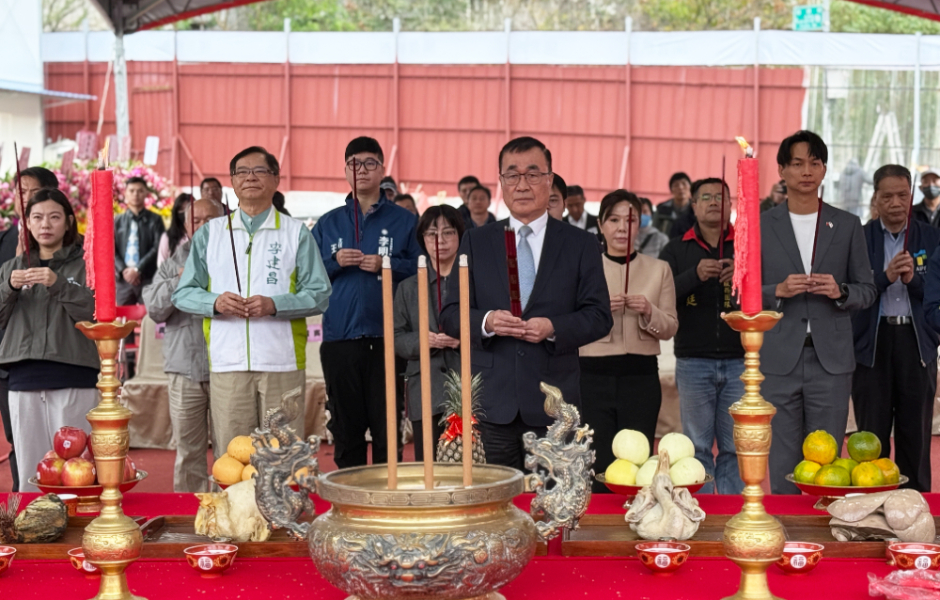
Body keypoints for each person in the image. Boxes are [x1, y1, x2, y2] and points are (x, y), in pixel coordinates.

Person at [440, 136, 612, 470]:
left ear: (549, 180)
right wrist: (487, 321)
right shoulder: (476, 241)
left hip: (555, 404)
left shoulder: (581, 244)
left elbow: (600, 315)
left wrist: (554, 327)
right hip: (492, 402)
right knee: (496, 507)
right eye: (512, 175)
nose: (522, 184)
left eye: (533, 175)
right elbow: (449, 313)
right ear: (501, 182)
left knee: (555, 502)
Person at [173, 146, 332, 460]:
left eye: (259, 171)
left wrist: (274, 304)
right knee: (233, 457)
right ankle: (235, 510)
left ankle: (283, 511)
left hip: (281, 361)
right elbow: (183, 293)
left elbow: (320, 293)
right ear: (232, 182)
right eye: (241, 172)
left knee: (283, 455)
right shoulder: (210, 234)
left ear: (275, 180)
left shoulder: (296, 233)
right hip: (227, 362)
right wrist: (215, 301)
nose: (250, 177)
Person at [761, 130, 877, 494]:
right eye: (797, 163)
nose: (806, 171)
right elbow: (739, 294)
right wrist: (776, 291)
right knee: (782, 460)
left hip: (831, 359)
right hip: (780, 357)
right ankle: (783, 532)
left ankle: (822, 537)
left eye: (815, 162)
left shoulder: (846, 225)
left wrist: (840, 291)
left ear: (825, 169)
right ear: (782, 170)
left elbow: (868, 290)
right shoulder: (763, 225)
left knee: (828, 462)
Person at [311, 136, 420, 468]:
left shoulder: (404, 221)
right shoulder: (328, 223)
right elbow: (307, 277)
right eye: (354, 164)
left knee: (387, 425)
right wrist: (334, 262)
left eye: (370, 163)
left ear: (382, 169)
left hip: (387, 338)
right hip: (340, 339)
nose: (362, 170)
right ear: (345, 170)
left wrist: (387, 265)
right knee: (346, 427)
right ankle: (350, 499)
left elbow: (422, 269)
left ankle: (389, 498)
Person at [0, 188, 98, 493]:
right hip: (23, 378)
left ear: (69, 222)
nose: (45, 224)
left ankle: (80, 535)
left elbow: (95, 311)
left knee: (76, 468)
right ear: (26, 223)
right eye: (37, 217)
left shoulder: (85, 264)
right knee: (32, 469)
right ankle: (35, 534)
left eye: (54, 217)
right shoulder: (11, 269)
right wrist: (7, 288)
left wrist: (59, 285)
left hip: (74, 375)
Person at [580, 190, 677, 493]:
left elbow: (670, 327)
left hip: (640, 376)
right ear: (601, 224)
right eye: (614, 219)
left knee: (636, 461)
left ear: (640, 225)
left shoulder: (659, 269)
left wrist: (649, 310)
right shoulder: (585, 270)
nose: (623, 227)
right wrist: (598, 313)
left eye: (631, 219)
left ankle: (635, 523)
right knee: (597, 461)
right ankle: (596, 531)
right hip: (591, 377)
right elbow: (570, 326)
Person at [854, 165, 940, 493]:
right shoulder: (860, 238)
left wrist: (913, 280)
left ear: (911, 197)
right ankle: (868, 511)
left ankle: (917, 511)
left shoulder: (931, 237)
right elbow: (851, 293)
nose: (895, 203)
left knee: (915, 436)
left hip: (916, 344)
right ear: (875, 198)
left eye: (902, 195)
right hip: (872, 345)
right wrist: (884, 277)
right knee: (871, 439)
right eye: (887, 196)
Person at [660, 178, 743, 495]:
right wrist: (694, 275)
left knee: (735, 448)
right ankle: (704, 515)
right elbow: (662, 294)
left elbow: (763, 295)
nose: (713, 202)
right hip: (693, 360)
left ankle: (732, 516)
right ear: (693, 205)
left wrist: (739, 274)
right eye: (705, 197)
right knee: (696, 447)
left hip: (739, 360)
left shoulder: (745, 247)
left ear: (730, 206)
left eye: (720, 197)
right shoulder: (677, 248)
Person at [143, 198, 223, 492]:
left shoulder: (238, 256)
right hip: (183, 367)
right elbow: (155, 309)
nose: (202, 225)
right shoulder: (176, 259)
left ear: (224, 218)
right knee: (189, 450)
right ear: (187, 225)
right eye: (196, 220)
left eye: (209, 218)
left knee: (230, 449)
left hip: (227, 367)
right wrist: (180, 279)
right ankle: (188, 517)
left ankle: (229, 513)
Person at [0, 166, 59, 491]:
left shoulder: (71, 246)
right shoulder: (5, 241)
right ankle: (23, 506)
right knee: (19, 440)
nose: (23, 198)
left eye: (30, 191)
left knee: (67, 444)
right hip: (10, 356)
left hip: (59, 359)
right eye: (19, 191)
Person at [393, 205, 465, 461]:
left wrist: (464, 339)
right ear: (422, 239)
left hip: (466, 385)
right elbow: (396, 338)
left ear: (460, 236)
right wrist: (422, 340)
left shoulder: (474, 281)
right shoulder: (408, 288)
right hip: (424, 385)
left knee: (470, 465)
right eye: (432, 234)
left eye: (448, 232)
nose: (440, 241)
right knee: (428, 466)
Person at [114, 176, 166, 305]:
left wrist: (138, 269)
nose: (135, 194)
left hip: (147, 278)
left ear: (146, 193)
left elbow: (158, 247)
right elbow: (110, 248)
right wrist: (124, 270)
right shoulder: (117, 220)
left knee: (148, 319)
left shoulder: (156, 220)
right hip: (123, 279)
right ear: (125, 193)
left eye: (140, 190)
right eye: (131, 191)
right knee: (122, 321)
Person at [158, 193, 193, 267]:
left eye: (188, 208)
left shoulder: (201, 235)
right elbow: (161, 264)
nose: (184, 213)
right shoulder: (167, 237)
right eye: (181, 210)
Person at [653, 172, 692, 237]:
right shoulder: (662, 209)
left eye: (684, 184)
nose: (680, 187)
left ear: (690, 187)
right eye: (676, 185)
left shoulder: (697, 209)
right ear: (671, 190)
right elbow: (654, 231)